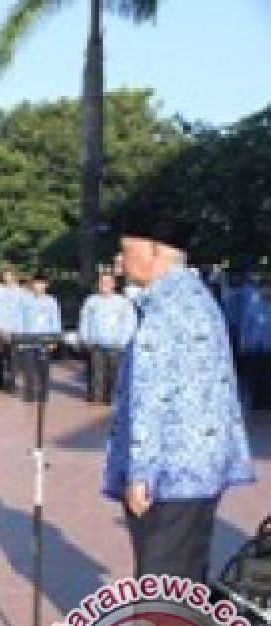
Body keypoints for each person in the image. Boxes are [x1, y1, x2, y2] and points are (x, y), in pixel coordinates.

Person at [104, 211, 255, 582]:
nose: (119, 263)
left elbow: (151, 396)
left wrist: (140, 474)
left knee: (162, 583)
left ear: (154, 252)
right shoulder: (200, 299)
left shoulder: (163, 310)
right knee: (186, 578)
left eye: (126, 252)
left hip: (169, 471)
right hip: (201, 465)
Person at [78, 272, 137, 405]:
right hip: (96, 343)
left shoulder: (123, 302)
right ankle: (96, 398)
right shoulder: (91, 301)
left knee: (114, 374)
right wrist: (85, 337)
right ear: (98, 284)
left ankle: (112, 398)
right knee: (96, 373)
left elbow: (129, 322)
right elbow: (85, 320)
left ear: (113, 284)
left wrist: (123, 340)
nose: (105, 284)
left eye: (108, 282)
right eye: (102, 282)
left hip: (115, 344)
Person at [18, 274, 62, 403]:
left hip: (45, 339)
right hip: (28, 339)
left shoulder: (51, 301)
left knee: (44, 369)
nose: (38, 286)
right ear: (32, 285)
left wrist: (54, 340)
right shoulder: (25, 301)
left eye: (41, 283)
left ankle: (43, 395)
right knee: (28, 369)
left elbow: (55, 321)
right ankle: (29, 396)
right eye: (36, 283)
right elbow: (19, 319)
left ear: (46, 285)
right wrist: (20, 339)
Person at [239, 277, 271, 411]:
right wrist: (243, 344)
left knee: (268, 375)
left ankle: (267, 401)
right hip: (254, 348)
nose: (267, 291)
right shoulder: (252, 305)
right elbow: (245, 326)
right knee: (254, 376)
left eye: (269, 288)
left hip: (269, 347)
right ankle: (256, 402)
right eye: (265, 288)